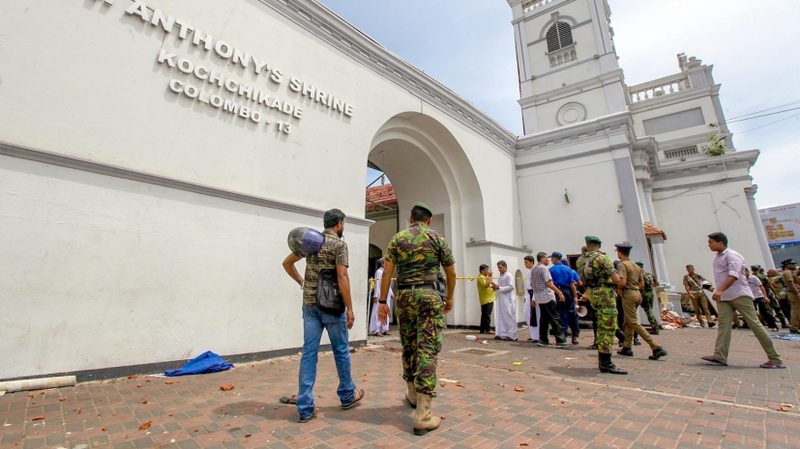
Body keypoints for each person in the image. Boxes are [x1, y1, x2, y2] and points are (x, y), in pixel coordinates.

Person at [377, 202, 456, 435]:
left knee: (409, 345)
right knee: (427, 349)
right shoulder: (437, 238)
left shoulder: (397, 238)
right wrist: (449, 298)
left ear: (411, 218)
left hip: (404, 297)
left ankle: (412, 393)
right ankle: (423, 414)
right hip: (429, 295)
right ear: (428, 220)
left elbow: (388, 273)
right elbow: (451, 272)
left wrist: (383, 302)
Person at [281, 208, 365, 422]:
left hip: (309, 305)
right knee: (341, 350)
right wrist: (350, 308)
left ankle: (305, 407)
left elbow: (287, 263)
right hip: (331, 306)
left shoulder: (310, 242)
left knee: (309, 353)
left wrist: (301, 281)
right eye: (343, 224)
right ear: (339, 223)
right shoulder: (339, 244)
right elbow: (342, 275)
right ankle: (347, 395)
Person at [701, 232, 784, 368]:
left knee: (754, 324)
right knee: (724, 326)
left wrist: (720, 290)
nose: (709, 245)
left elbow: (733, 275)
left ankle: (774, 358)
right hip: (724, 297)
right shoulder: (717, 258)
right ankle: (720, 355)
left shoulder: (732, 256)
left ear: (720, 242)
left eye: (711, 242)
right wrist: (718, 291)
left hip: (739, 295)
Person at [577, 236, 626, 374]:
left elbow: (583, 279)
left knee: (601, 324)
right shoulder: (601, 258)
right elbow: (618, 281)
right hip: (604, 293)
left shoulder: (581, 260)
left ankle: (604, 359)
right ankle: (605, 362)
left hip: (592, 292)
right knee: (608, 327)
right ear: (598, 245)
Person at [614, 243, 667, 360]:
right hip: (638, 294)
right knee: (627, 321)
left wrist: (618, 288)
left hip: (628, 294)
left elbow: (622, 282)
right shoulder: (636, 266)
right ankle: (627, 347)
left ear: (619, 252)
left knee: (632, 321)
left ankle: (655, 346)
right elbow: (642, 284)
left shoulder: (622, 265)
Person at [531, 252, 568, 348]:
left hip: (539, 297)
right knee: (555, 318)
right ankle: (561, 340)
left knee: (544, 319)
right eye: (547, 258)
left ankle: (543, 339)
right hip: (546, 296)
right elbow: (548, 283)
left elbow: (532, 284)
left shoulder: (534, 269)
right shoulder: (544, 269)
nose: (548, 260)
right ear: (542, 258)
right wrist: (559, 292)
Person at [550, 252, 579, 345]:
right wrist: (575, 296)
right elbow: (572, 284)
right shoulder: (568, 269)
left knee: (561, 314)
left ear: (555, 259)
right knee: (572, 313)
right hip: (568, 291)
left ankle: (563, 335)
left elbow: (550, 284)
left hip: (557, 291)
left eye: (552, 258)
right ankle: (575, 336)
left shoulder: (551, 270)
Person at [746, 267, 778, 331]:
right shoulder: (742, 279)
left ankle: (773, 325)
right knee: (751, 312)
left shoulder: (754, 278)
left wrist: (765, 296)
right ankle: (755, 326)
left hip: (759, 296)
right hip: (750, 297)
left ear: (747, 272)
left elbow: (761, 287)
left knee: (764, 311)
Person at [494, 260, 517, 341]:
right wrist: (495, 287)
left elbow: (511, 287)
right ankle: (502, 334)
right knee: (502, 316)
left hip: (508, 299)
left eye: (500, 267)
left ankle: (511, 335)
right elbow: (500, 286)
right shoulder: (501, 276)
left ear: (505, 266)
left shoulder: (509, 275)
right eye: (498, 268)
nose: (499, 269)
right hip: (501, 298)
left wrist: (499, 288)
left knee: (509, 316)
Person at [368, 259, 393, 336]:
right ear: (382, 264)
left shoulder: (386, 272)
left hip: (387, 293)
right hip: (380, 293)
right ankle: (376, 329)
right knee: (378, 311)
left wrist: (391, 293)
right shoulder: (378, 272)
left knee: (386, 309)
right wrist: (375, 295)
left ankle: (385, 328)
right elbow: (377, 284)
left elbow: (388, 283)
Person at [636, 261, 660, 334]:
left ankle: (655, 328)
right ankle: (655, 327)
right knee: (650, 311)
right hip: (650, 295)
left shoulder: (640, 275)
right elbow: (657, 283)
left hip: (643, 295)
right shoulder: (649, 274)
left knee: (648, 312)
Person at [522, 255, 539, 342]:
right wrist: (526, 296)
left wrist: (534, 298)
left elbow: (535, 285)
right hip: (528, 294)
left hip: (533, 294)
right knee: (527, 314)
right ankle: (532, 334)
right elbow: (527, 286)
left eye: (526, 262)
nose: (525, 264)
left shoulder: (535, 271)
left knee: (534, 316)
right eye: (524, 262)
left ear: (532, 262)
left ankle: (537, 336)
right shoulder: (529, 271)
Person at [780, 259, 800, 333]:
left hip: (794, 292)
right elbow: (790, 283)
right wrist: (797, 293)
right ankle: (794, 326)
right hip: (793, 293)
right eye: (792, 264)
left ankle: (795, 326)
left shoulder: (791, 272)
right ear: (787, 265)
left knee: (796, 309)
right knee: (796, 310)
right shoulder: (787, 272)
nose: (794, 265)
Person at [477, 264, 497, 334]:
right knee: (487, 314)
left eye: (487, 270)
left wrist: (494, 286)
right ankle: (487, 329)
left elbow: (491, 284)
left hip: (489, 298)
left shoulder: (486, 277)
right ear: (481, 270)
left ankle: (483, 329)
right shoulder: (481, 277)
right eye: (486, 270)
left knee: (485, 314)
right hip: (486, 298)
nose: (487, 271)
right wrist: (490, 276)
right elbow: (486, 285)